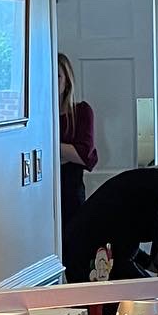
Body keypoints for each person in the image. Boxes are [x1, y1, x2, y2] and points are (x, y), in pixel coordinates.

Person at [61, 142, 158, 283]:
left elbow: (123, 230)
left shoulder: (147, 179)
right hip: (95, 252)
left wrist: (148, 264)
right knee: (149, 295)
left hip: (78, 244)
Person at [58, 53, 98, 230]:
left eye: (58, 76)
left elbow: (84, 154)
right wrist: (67, 152)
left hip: (71, 191)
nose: (52, 80)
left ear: (67, 80)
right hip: (41, 192)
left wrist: (51, 147)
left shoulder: (81, 111)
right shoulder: (39, 115)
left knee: (73, 241)